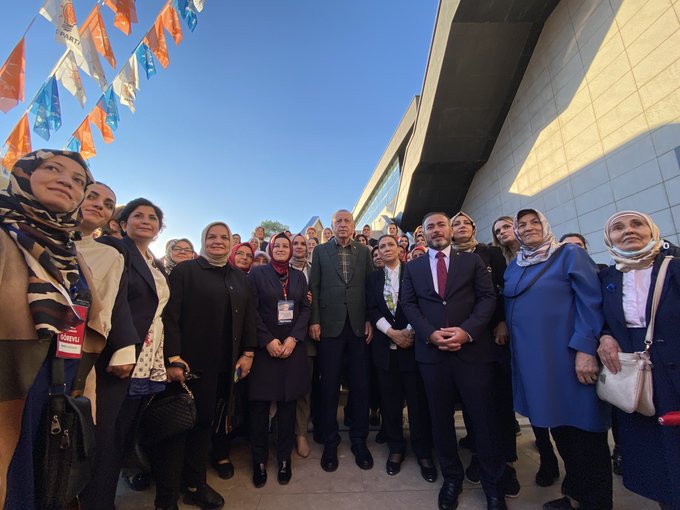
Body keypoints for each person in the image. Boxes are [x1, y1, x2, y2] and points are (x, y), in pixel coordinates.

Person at [0, 150, 106, 509]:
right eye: (52, 169)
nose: (66, 181)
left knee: (49, 482)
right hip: (13, 385)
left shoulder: (69, 251)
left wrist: (84, 390)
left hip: (60, 386)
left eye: (78, 180)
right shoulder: (5, 232)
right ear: (25, 174)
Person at [504, 209, 611, 510]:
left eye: (534, 222)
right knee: (560, 430)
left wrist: (586, 349)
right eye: (521, 224)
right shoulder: (515, 266)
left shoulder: (569, 255)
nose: (528, 228)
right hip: (536, 365)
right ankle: (575, 496)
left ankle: (597, 503)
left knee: (585, 433)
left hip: (570, 359)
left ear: (545, 224)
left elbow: (590, 301)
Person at [400, 212, 507, 510]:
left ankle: (493, 487)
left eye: (440, 225)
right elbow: (408, 303)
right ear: (423, 234)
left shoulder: (471, 261)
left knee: (483, 420)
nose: (436, 230)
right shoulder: (413, 266)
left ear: (449, 230)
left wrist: (467, 331)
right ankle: (451, 478)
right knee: (440, 420)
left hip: (472, 353)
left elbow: (488, 298)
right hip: (432, 356)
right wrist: (430, 334)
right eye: (430, 227)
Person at [157, 221, 257, 509]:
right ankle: (166, 498)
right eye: (211, 236)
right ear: (203, 240)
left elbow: (248, 317)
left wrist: (248, 353)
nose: (218, 241)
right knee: (179, 430)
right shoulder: (186, 271)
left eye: (223, 237)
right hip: (189, 367)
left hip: (224, 368)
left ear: (230, 243)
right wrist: (173, 357)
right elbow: (170, 317)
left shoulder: (238, 278)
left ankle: (194, 485)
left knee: (204, 425)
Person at [80, 198, 170, 510]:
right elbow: (112, 301)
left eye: (152, 218)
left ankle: (105, 497)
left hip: (147, 358)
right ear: (122, 222)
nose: (145, 221)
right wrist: (122, 347)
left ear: (158, 228)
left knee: (124, 432)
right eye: (138, 216)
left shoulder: (154, 263)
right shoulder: (114, 248)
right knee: (105, 434)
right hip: (121, 355)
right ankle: (96, 502)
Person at [598, 211, 680, 510]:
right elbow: (603, 319)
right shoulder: (608, 277)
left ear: (652, 230)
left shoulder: (673, 267)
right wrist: (605, 336)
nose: (628, 231)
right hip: (633, 371)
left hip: (672, 367)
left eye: (637, 224)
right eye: (618, 228)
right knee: (652, 450)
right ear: (609, 238)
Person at [450, 212, 519, 497]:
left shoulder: (491, 253)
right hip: (464, 338)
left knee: (499, 401)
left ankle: (507, 461)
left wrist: (501, 321)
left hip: (492, 335)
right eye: (455, 223)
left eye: (465, 223)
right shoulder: (448, 257)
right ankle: (480, 454)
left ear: (473, 228)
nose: (461, 226)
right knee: (473, 403)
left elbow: (502, 291)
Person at [494, 214, 560, 485]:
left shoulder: (552, 255)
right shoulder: (502, 262)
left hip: (546, 341)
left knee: (551, 399)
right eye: (498, 230)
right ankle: (542, 454)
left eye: (507, 227)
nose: (502, 232)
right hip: (511, 339)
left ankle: (558, 457)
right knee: (527, 399)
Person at [366, 234, 436, 481]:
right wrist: (392, 333)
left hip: (413, 347)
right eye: (381, 246)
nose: (386, 249)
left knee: (417, 404)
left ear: (399, 249)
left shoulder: (414, 272)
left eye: (390, 245)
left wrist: (410, 331)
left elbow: (423, 304)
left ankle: (423, 451)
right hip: (386, 349)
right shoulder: (373, 278)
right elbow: (372, 308)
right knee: (390, 403)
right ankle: (396, 448)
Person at [309, 210, 374, 472]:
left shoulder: (365, 252)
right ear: (332, 226)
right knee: (329, 386)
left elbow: (370, 287)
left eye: (347, 221)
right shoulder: (320, 251)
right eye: (338, 221)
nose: (343, 225)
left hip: (358, 327)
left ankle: (359, 441)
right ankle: (330, 441)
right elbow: (314, 287)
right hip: (329, 327)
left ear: (354, 226)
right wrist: (315, 320)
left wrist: (369, 318)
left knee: (360, 386)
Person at [248, 233, 311, 486]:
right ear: (271, 248)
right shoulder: (257, 274)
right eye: (278, 245)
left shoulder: (298, 277)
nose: (283, 248)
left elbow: (305, 309)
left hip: (292, 349)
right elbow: (251, 310)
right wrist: (267, 340)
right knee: (259, 409)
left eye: (287, 245)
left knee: (288, 406)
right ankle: (259, 461)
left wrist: (294, 339)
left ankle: (284, 458)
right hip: (266, 349)